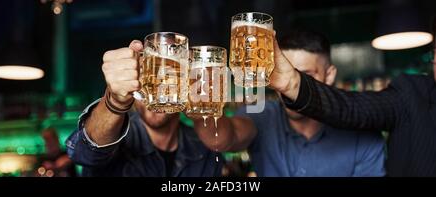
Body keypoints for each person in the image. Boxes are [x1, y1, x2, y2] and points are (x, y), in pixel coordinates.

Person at [193, 30, 385, 177]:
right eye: (281, 75)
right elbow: (223, 138)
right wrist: (203, 112)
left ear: (329, 75)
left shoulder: (362, 134)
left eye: (305, 76)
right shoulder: (262, 115)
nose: (288, 87)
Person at [269, 21, 436, 176]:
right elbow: (352, 108)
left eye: (306, 74)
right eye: (435, 53)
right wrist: (292, 84)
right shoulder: (412, 94)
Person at [66, 40, 222, 177]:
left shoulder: (206, 148)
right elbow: (83, 153)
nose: (158, 90)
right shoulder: (118, 137)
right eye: (149, 80)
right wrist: (115, 102)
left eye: (168, 79)